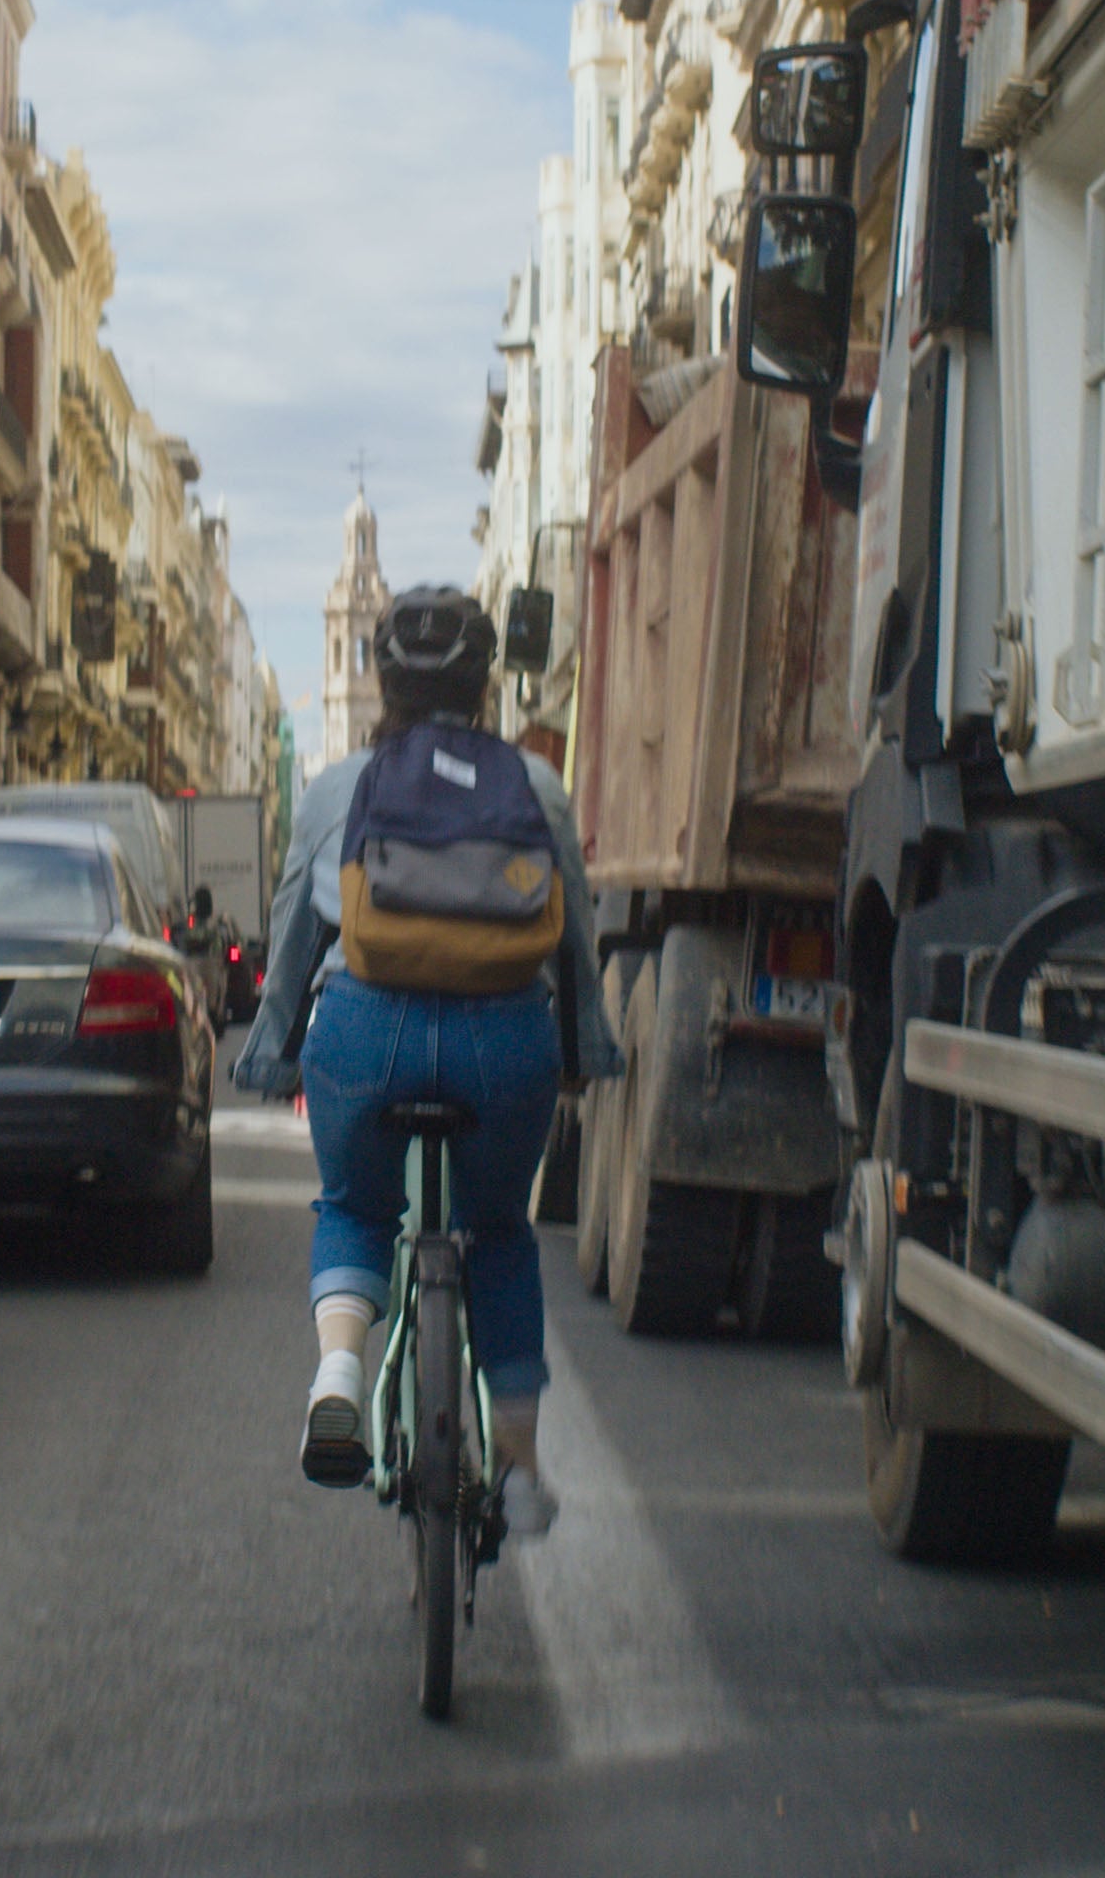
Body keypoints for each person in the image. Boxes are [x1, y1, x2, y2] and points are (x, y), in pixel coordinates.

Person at [233, 586, 627, 1536]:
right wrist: (580, 1052)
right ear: (484, 681)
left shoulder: (335, 789)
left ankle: (337, 1376)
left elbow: (296, 929)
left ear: (383, 684)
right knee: (499, 1236)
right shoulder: (536, 788)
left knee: (358, 1208)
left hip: (366, 1033)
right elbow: (571, 934)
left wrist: (273, 1054)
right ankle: (523, 1472)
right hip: (505, 1042)